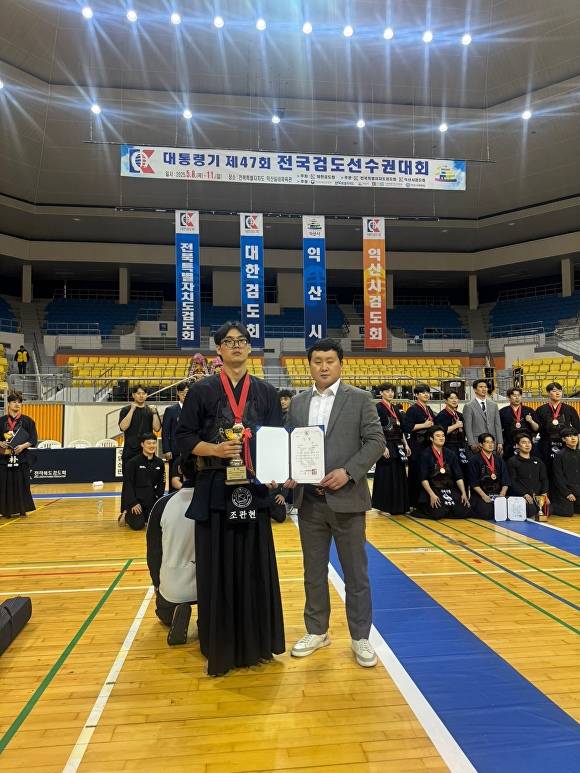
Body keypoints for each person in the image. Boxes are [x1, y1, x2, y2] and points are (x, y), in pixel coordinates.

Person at [176, 321, 285, 676]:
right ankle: (218, 643)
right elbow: (182, 439)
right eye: (228, 341)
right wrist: (215, 449)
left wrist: (275, 478)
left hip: (253, 489)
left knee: (254, 565)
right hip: (214, 487)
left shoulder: (267, 392)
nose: (236, 346)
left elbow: (274, 439)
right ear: (218, 350)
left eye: (242, 341)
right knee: (216, 567)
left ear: (250, 348)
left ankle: (257, 643)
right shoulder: (201, 392)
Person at [284, 338, 385, 668]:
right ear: (309, 365)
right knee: (313, 572)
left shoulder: (359, 399)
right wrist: (288, 472)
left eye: (329, 360)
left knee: (356, 574)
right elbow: (290, 444)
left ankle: (360, 638)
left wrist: (350, 472)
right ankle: (317, 630)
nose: (323, 366)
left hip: (347, 500)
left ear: (340, 364)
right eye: (317, 361)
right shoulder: (298, 403)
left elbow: (375, 441)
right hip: (310, 502)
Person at [146, 455, 197, 645]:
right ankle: (206, 620)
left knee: (163, 614)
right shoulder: (212, 503)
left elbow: (153, 550)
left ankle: (176, 609)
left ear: (180, 472)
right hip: (209, 585)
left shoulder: (162, 505)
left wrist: (156, 582)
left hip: (173, 586)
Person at [372, 382, 410, 515]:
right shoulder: (378, 408)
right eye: (387, 391)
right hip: (386, 444)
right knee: (386, 475)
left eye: (392, 391)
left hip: (398, 443)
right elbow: (376, 429)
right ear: (381, 393)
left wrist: (406, 444)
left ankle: (399, 505)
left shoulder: (395, 408)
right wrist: (382, 446)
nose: (390, 393)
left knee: (399, 473)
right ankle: (384, 506)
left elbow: (400, 428)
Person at [417, 425, 470, 519]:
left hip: (448, 488)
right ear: (431, 438)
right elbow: (423, 478)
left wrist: (463, 493)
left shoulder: (450, 454)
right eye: (438, 436)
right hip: (433, 489)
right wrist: (432, 495)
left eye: (443, 436)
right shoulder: (425, 454)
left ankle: (448, 508)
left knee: (464, 511)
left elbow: (458, 476)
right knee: (438, 513)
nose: (441, 438)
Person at [0, 392, 37, 518]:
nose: (17, 404)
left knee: (22, 483)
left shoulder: (28, 421)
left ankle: (22, 509)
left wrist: (22, 446)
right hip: (4, 458)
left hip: (22, 458)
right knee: (4, 484)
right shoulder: (1, 421)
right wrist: (1, 443)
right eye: (14, 402)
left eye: (19, 402)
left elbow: (33, 439)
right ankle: (5, 511)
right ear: (9, 404)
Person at [120, 434, 165, 530]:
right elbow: (128, 484)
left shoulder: (160, 463)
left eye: (154, 443)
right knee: (138, 525)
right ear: (142, 444)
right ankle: (126, 513)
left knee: (156, 524)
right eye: (148, 443)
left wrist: (158, 500)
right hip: (136, 501)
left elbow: (162, 483)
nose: (152, 446)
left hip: (151, 500)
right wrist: (133, 503)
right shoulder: (133, 462)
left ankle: (146, 516)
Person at [404, 384, 436, 508]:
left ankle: (426, 499)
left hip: (428, 446)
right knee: (416, 474)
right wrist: (424, 425)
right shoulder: (413, 409)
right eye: (423, 392)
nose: (426, 394)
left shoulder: (428, 408)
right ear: (416, 395)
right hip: (417, 446)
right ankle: (414, 502)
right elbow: (408, 427)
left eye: (427, 392)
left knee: (427, 474)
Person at [535, 382, 580, 471]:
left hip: (564, 444)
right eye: (554, 391)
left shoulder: (570, 409)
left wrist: (578, 447)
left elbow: (577, 430)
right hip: (545, 444)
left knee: (565, 469)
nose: (558, 393)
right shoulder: (541, 409)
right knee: (547, 468)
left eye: (560, 391)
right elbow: (536, 429)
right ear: (548, 393)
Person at [467, 433, 511, 519]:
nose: (490, 444)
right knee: (487, 513)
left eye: (492, 442)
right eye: (487, 442)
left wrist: (502, 494)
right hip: (481, 495)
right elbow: (473, 482)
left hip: (497, 494)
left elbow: (506, 479)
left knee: (508, 511)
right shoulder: (474, 460)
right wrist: (483, 496)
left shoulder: (499, 460)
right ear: (481, 444)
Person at [507, 433, 549, 519]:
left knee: (548, 509)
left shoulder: (538, 461)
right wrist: (524, 494)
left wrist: (544, 494)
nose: (527, 445)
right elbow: (512, 481)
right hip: (522, 495)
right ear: (517, 445)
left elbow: (544, 479)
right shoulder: (512, 461)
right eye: (523, 442)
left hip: (537, 495)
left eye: (529, 442)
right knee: (531, 511)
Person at [118, 385, 161, 467]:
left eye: (144, 393)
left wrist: (155, 413)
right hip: (130, 451)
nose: (141, 396)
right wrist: (132, 410)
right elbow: (123, 427)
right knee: (129, 478)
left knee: (146, 478)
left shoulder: (151, 410)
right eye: (138, 393)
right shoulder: (126, 410)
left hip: (147, 451)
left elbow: (157, 428)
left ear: (146, 395)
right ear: (133, 395)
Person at [435, 390, 470, 482]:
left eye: (456, 398)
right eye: (451, 398)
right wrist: (456, 425)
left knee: (464, 472)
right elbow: (440, 433)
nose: (454, 400)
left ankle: (464, 494)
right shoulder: (441, 415)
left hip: (461, 446)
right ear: (445, 401)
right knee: (453, 472)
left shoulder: (460, 415)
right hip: (449, 447)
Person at [462, 379, 503, 455]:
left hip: (492, 442)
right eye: (481, 387)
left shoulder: (494, 405)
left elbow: (497, 425)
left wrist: (500, 441)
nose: (484, 389)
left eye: (485, 387)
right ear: (475, 389)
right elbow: (468, 426)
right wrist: (471, 443)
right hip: (477, 444)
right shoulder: (469, 406)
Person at [162, 382, 189, 490]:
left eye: (187, 392)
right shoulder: (171, 410)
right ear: (178, 393)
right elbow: (165, 432)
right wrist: (166, 449)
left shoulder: (195, 409)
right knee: (175, 477)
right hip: (175, 451)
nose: (185, 395)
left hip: (192, 450)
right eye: (182, 392)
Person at [499, 388, 539, 460]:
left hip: (527, 444)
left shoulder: (529, 410)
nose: (517, 398)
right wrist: (500, 443)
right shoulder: (502, 412)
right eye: (514, 395)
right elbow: (499, 429)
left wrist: (531, 421)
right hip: (509, 444)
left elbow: (536, 428)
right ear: (508, 397)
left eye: (519, 395)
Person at [550, 429, 580, 516]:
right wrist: (567, 493)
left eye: (574, 435)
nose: (573, 438)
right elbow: (558, 476)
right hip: (566, 490)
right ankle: (550, 506)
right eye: (569, 436)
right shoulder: (560, 455)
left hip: (578, 489)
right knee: (567, 512)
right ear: (563, 439)